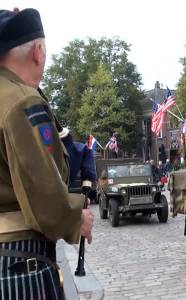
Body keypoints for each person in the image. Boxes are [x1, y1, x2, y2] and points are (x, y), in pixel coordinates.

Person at [0, 8, 94, 299]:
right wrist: (76, 218)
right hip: (20, 259)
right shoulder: (21, 101)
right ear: (38, 52)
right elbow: (42, 192)